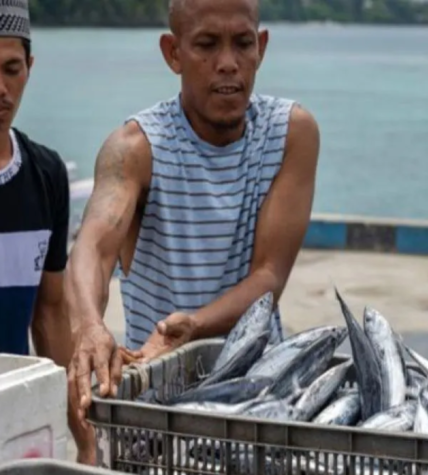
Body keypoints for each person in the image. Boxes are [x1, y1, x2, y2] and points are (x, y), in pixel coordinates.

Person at [64, 0, 320, 463]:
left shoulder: (290, 134)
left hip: (263, 405)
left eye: (243, 43)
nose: (228, 63)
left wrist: (195, 326)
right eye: (206, 44)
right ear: (173, 53)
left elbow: (268, 277)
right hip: (157, 412)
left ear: (261, 48)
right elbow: (93, 249)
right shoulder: (137, 148)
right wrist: (88, 324)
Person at [0, 0, 88, 459]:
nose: (1, 88)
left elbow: (50, 312)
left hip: (17, 413)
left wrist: (76, 425)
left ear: (29, 68)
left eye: (11, 69)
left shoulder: (46, 173)